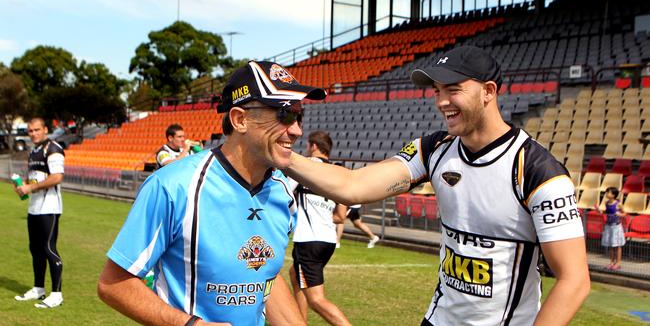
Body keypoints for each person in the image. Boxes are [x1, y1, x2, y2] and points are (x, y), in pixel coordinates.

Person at [285, 46, 590, 326]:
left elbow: (574, 280)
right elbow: (354, 185)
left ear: (488, 91)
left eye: (453, 90)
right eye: (437, 90)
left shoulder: (539, 171)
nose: (441, 101)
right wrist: (283, 158)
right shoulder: (433, 150)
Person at [97, 60, 325, 325]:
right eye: (284, 114)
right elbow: (114, 283)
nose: (297, 130)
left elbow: (265, 278)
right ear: (240, 119)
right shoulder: (173, 186)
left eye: (299, 116)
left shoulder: (283, 193)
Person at [288, 131, 350, 325]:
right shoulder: (336, 171)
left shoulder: (305, 166)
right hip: (328, 240)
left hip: (308, 240)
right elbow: (340, 216)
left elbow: (285, 191)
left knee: (316, 299)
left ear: (313, 146)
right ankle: (300, 322)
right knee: (295, 274)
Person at [13, 117, 65, 308]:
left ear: (45, 129)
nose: (33, 133)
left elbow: (57, 177)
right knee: (35, 249)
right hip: (34, 208)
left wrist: (31, 188)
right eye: (30, 131)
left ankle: (57, 294)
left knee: (49, 249)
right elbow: (33, 179)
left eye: (36, 130)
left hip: (49, 207)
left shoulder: (53, 149)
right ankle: (38, 289)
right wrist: (23, 186)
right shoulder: (34, 151)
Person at [596, 187, 626, 270]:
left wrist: (619, 214)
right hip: (609, 225)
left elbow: (624, 213)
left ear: (613, 195)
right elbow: (606, 212)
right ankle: (612, 262)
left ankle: (618, 263)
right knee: (611, 245)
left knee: (618, 245)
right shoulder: (606, 203)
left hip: (616, 226)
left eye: (608, 192)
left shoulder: (618, 204)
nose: (606, 194)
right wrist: (599, 210)